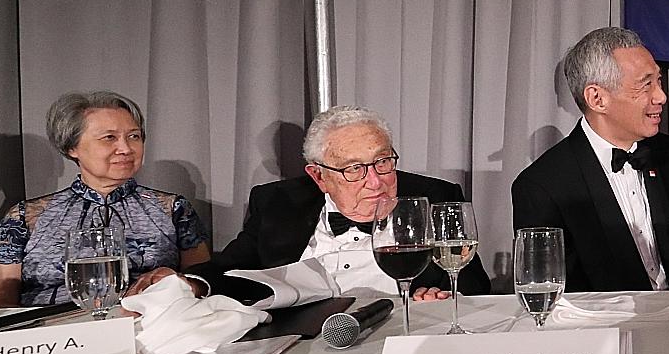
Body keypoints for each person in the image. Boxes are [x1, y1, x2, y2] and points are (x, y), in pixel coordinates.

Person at [137, 106, 490, 302]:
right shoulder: (277, 202)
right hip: (300, 348)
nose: (375, 180)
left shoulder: (435, 197)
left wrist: (439, 297)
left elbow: (474, 287)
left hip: (401, 338)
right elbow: (233, 267)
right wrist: (190, 282)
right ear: (319, 176)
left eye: (383, 161)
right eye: (354, 169)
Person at [512, 27, 669, 292]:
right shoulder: (541, 186)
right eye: (646, 84)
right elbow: (551, 291)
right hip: (602, 329)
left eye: (658, 82)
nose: (661, 96)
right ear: (597, 98)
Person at [0, 91, 209, 307]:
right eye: (109, 138)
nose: (125, 148)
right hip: (52, 338)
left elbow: (203, 283)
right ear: (72, 147)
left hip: (150, 333)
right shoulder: (25, 217)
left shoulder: (173, 208)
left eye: (134, 136)